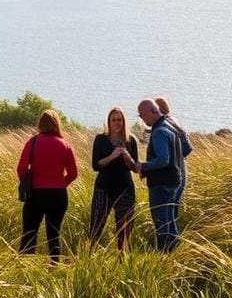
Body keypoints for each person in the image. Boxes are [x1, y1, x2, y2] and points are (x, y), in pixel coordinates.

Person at [16, 109, 78, 261]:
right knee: (54, 234)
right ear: (57, 124)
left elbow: (21, 168)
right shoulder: (65, 145)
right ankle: (55, 267)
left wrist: (29, 183)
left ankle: (25, 268)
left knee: (29, 234)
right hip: (58, 195)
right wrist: (60, 183)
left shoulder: (33, 141)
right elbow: (73, 173)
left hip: (36, 194)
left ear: (40, 124)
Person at [88, 107, 139, 251]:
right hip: (104, 187)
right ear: (109, 122)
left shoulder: (131, 140)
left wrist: (126, 156)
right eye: (114, 120)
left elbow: (135, 168)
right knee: (96, 225)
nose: (117, 123)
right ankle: (88, 256)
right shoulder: (101, 139)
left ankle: (122, 258)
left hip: (125, 188)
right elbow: (96, 165)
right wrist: (112, 156)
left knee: (124, 228)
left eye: (120, 120)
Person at [136, 98, 183, 252]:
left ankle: (164, 255)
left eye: (142, 115)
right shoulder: (170, 126)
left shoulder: (159, 131)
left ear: (153, 111)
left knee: (161, 223)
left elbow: (163, 159)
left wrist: (144, 166)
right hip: (174, 181)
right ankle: (175, 253)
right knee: (170, 221)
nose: (142, 119)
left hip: (161, 183)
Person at [155, 96, 193, 203]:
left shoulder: (162, 126)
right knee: (174, 207)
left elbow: (162, 157)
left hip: (169, 174)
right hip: (181, 168)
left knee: (164, 209)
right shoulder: (175, 121)